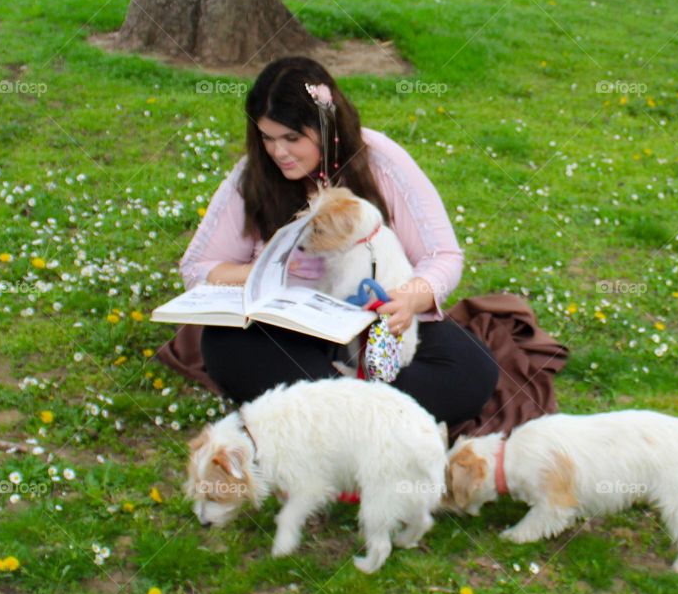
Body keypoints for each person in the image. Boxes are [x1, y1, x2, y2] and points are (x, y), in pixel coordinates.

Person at [179, 56, 498, 426]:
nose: (278, 152)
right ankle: (376, 417)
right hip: (289, 331)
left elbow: (442, 254)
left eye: (292, 138)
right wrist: (258, 272)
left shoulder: (379, 160)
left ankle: (336, 414)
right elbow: (196, 268)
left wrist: (410, 297)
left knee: (471, 370)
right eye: (267, 138)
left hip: (374, 323)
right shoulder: (254, 177)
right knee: (225, 346)